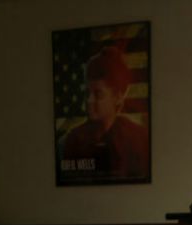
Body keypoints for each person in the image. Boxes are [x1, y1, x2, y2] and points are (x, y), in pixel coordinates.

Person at [60, 46, 149, 180]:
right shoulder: (71, 141)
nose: (89, 100)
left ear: (118, 96)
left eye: (98, 94)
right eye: (87, 93)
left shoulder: (139, 139)